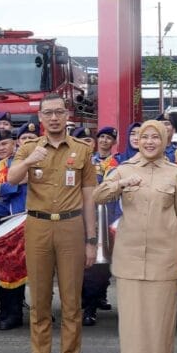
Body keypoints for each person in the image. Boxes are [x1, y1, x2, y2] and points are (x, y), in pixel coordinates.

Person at [7, 93, 98, 353]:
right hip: (38, 225)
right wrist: (30, 160)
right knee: (40, 298)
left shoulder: (82, 150)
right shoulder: (30, 148)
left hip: (71, 226)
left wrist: (91, 240)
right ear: (40, 118)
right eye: (49, 113)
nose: (55, 118)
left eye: (59, 112)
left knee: (72, 299)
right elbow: (11, 179)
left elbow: (89, 198)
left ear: (67, 115)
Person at [94, 120, 177, 353]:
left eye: (155, 137)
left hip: (165, 254)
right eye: (144, 137)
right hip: (130, 254)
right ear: (137, 140)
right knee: (133, 317)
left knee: (160, 316)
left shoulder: (175, 173)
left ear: (164, 141)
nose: (150, 142)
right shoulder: (123, 169)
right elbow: (99, 196)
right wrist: (121, 184)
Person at [0, 129, 28, 330]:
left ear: (14, 144)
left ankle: (21, 312)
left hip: (32, 220)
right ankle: (9, 311)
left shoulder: (26, 160)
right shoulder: (1, 166)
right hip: (9, 223)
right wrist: (16, 182)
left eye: (5, 144)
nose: (1, 148)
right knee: (7, 268)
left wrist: (12, 181)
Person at [82, 126, 119, 325]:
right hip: (87, 217)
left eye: (109, 138)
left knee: (102, 267)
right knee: (88, 266)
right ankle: (88, 307)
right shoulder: (88, 162)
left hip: (110, 218)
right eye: (102, 137)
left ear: (114, 142)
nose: (105, 141)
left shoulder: (119, 163)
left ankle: (96, 299)